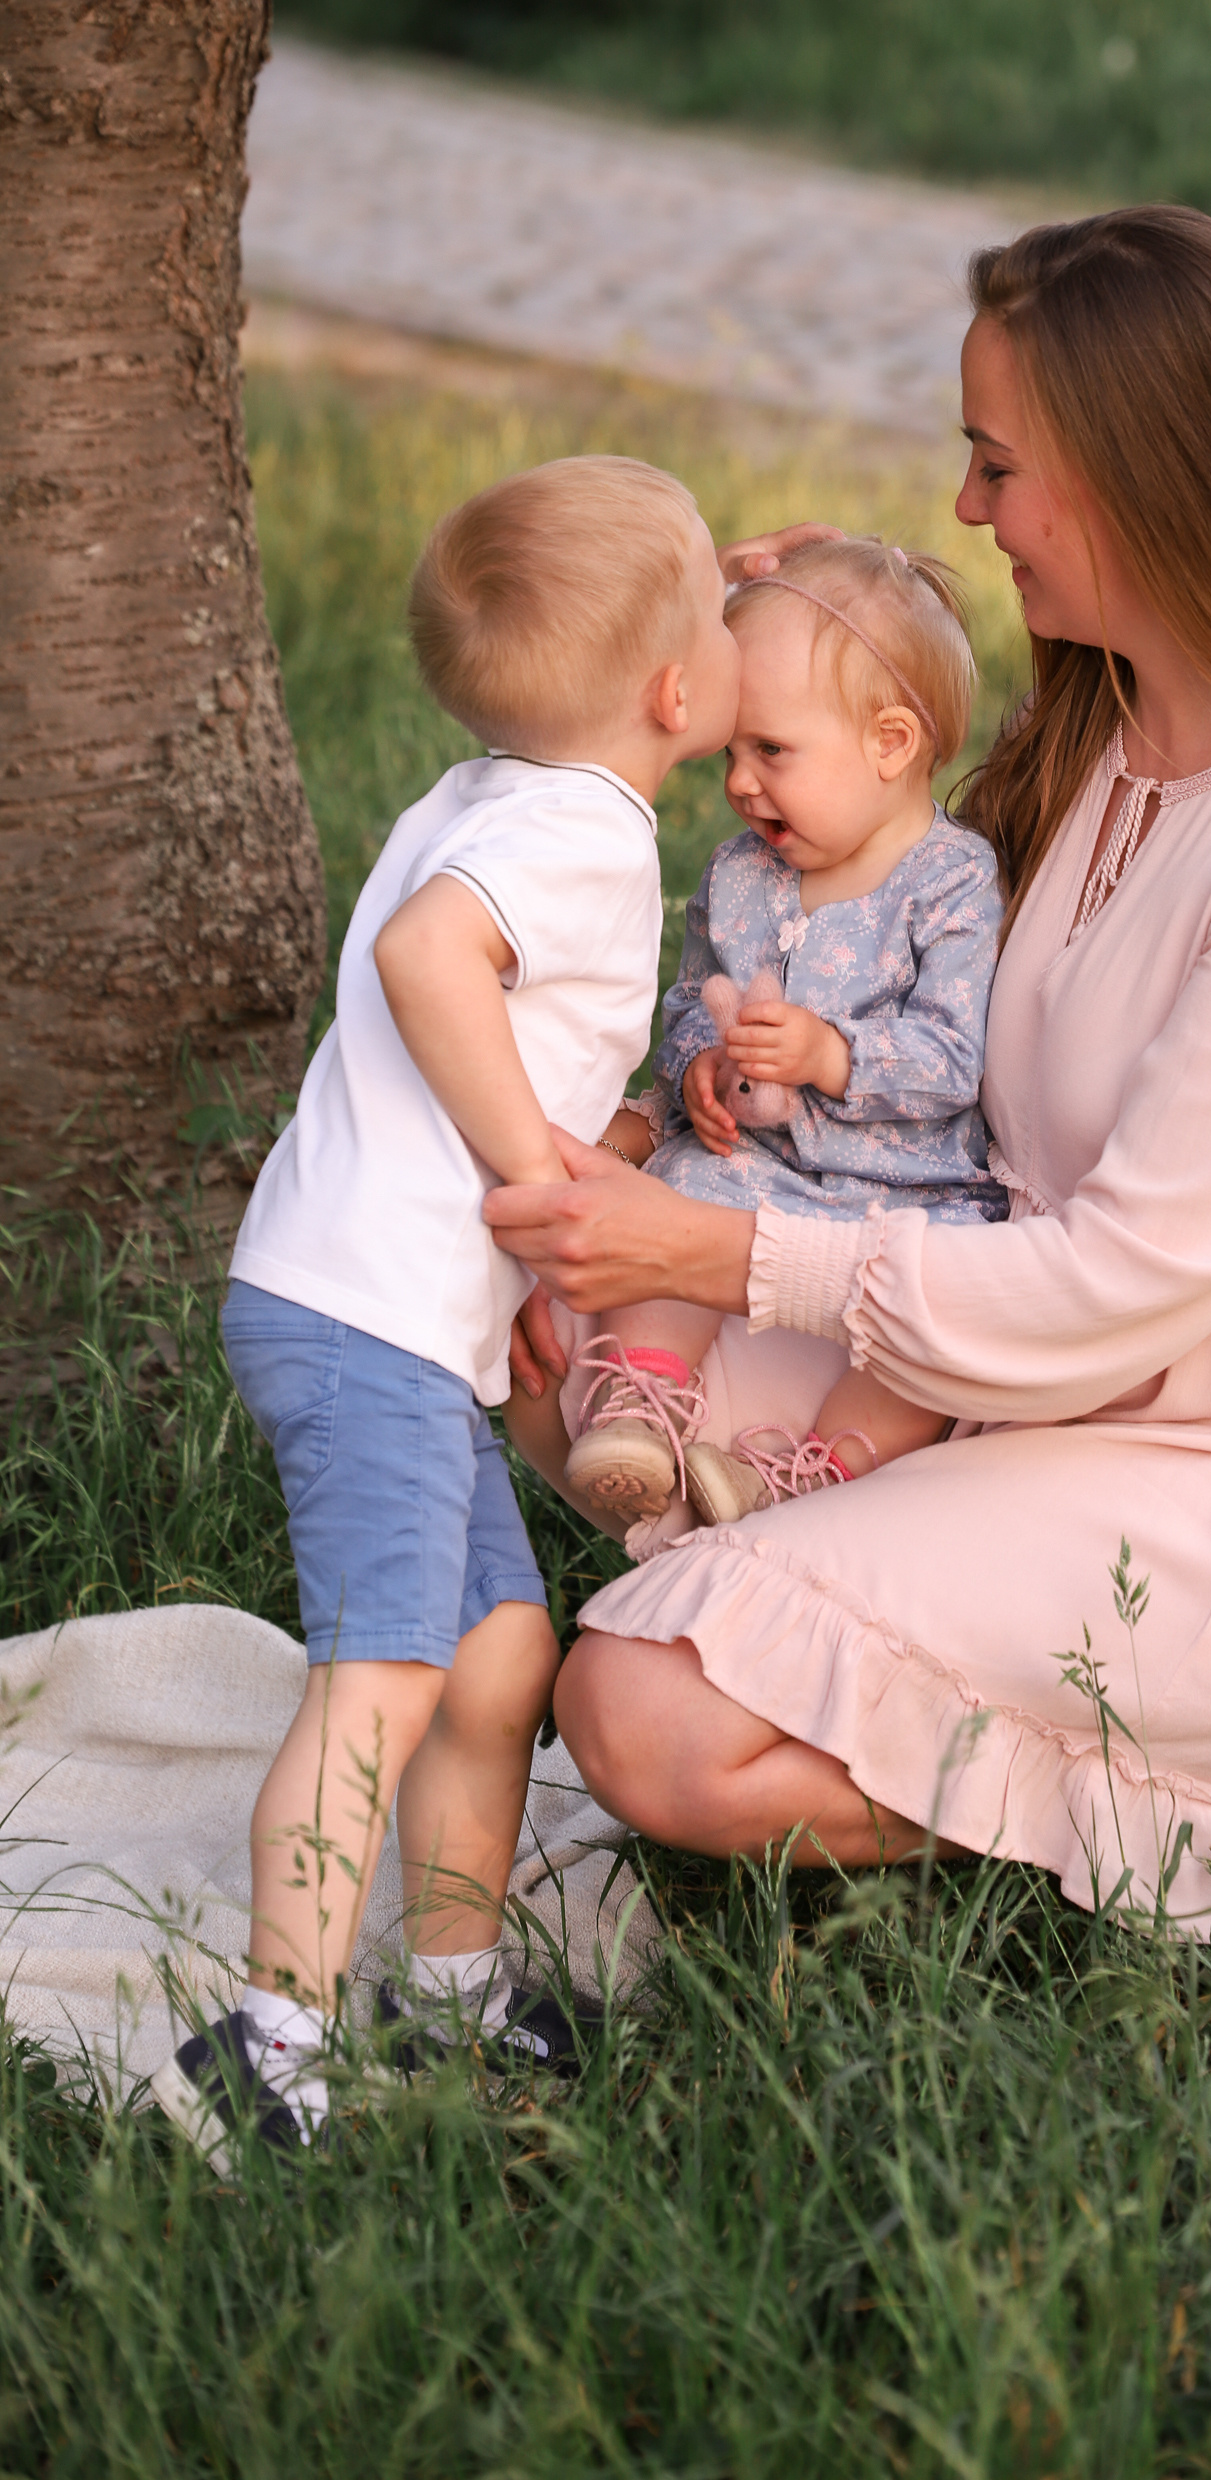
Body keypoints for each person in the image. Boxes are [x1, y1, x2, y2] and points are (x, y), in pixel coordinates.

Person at [489, 205, 1211, 1937]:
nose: (964, 511)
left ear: (1145, 483)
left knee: (641, 1712)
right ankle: (866, 1641)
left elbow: (1117, 1281)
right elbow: (858, 860)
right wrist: (828, 635)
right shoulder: (1105, 735)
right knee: (542, 1345)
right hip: (1020, 1380)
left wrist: (706, 1252)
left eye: (996, 467)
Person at [155, 454, 742, 2163]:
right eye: (718, 605)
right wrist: (540, 1192)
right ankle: (271, 2035)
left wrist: (563, 1193)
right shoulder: (572, 829)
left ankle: (456, 1981)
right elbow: (428, 963)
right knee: (390, 1676)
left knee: (502, 1660)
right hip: (369, 1322)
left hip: (379, 1311)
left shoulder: (505, 782)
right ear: (670, 690)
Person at [545, 536, 1006, 1544]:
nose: (741, 785)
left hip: (905, 1190)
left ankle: (810, 1474)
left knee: (932, 1321)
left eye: (772, 752)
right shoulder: (740, 872)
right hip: (756, 1168)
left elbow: (955, 1056)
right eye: (729, 755)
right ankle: (643, 1404)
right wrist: (698, 1067)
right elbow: (683, 1004)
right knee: (676, 1192)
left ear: (889, 744)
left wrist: (830, 1056)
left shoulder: (953, 882)